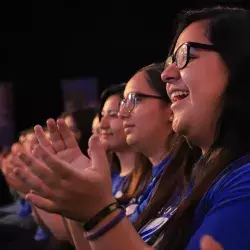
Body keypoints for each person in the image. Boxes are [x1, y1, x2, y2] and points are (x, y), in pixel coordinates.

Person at [13, 5, 250, 250]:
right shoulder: (190, 180)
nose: (167, 74)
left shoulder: (243, 180)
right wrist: (79, 207)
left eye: (184, 55)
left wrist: (99, 214)